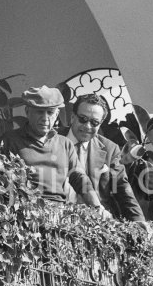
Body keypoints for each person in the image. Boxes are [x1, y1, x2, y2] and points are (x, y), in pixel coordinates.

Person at [0, 85, 107, 214]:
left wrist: (97, 207)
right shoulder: (10, 140)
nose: (45, 118)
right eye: (40, 111)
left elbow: (79, 178)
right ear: (27, 111)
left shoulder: (65, 143)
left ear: (56, 114)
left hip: (59, 214)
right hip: (24, 211)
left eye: (50, 112)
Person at [58, 93, 147, 223]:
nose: (87, 126)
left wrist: (138, 220)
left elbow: (122, 187)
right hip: (56, 215)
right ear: (72, 117)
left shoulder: (110, 149)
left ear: (100, 124)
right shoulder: (53, 139)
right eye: (83, 119)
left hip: (96, 221)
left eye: (94, 122)